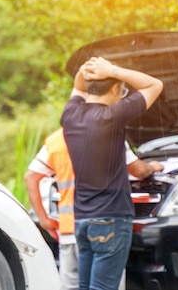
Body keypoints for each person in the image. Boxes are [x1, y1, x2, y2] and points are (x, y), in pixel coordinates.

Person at [60, 56, 163, 290]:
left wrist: (88, 69)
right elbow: (155, 85)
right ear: (116, 87)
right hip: (111, 219)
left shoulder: (70, 116)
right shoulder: (112, 117)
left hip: (83, 220)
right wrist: (112, 70)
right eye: (122, 92)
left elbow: (78, 86)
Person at [25, 128, 163, 290]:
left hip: (69, 229)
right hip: (105, 226)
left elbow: (31, 177)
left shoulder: (57, 139)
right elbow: (139, 171)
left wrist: (44, 220)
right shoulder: (109, 135)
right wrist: (153, 166)